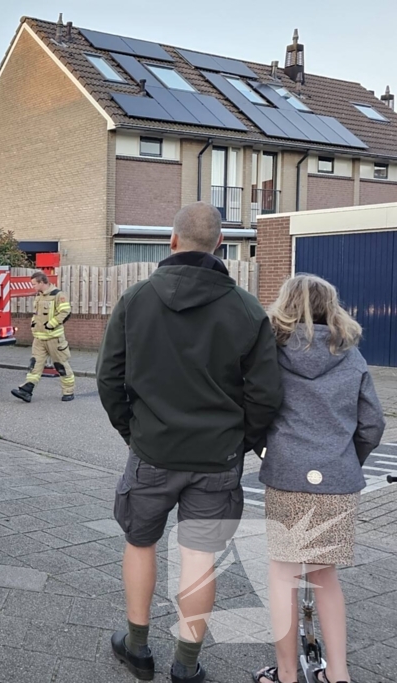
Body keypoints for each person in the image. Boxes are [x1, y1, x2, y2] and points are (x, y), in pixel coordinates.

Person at [97, 202, 283, 683]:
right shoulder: (246, 309)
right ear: (220, 244)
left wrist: (133, 433)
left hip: (152, 452)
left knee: (140, 543)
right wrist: (240, 442)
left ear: (173, 241)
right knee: (200, 557)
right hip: (217, 460)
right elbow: (266, 394)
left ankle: (137, 649)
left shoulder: (135, 301)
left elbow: (109, 378)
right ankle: (186, 664)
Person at [253, 275, 385, 683]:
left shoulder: (270, 355)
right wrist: (346, 461)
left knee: (283, 574)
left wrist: (264, 448)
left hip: (287, 476)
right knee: (325, 576)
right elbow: (372, 425)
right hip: (336, 481)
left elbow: (255, 408)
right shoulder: (352, 357)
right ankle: (339, 675)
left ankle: (286, 675)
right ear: (332, 307)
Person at [11, 271, 75, 402]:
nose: (33, 286)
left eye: (34, 284)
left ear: (41, 282)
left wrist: (51, 324)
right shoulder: (39, 296)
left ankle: (68, 391)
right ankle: (26, 391)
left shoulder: (58, 295)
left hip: (54, 338)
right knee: (35, 365)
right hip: (39, 338)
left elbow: (65, 312)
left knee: (61, 365)